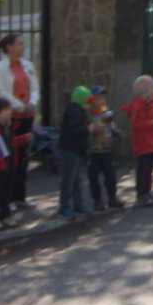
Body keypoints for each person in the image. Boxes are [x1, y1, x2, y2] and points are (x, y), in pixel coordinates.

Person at [0, 33, 39, 210]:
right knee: (9, 159)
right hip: (10, 119)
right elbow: (1, 92)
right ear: (9, 47)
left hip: (26, 116)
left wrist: (31, 103)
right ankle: (7, 199)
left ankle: (20, 196)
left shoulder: (28, 65)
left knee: (23, 158)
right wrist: (19, 106)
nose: (23, 47)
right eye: (19, 44)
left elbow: (34, 87)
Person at [0, 97, 29, 229]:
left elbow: (10, 143)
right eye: (6, 110)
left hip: (10, 164)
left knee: (8, 191)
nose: (10, 112)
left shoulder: (8, 127)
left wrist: (23, 139)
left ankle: (5, 215)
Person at [57, 86, 96, 219]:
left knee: (77, 179)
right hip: (70, 149)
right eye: (88, 103)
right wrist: (87, 129)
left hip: (76, 149)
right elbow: (72, 132)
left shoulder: (78, 112)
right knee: (69, 179)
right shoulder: (75, 113)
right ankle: (65, 207)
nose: (90, 106)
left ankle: (77, 204)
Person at [123, 75, 153, 207]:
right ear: (145, 91)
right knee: (143, 168)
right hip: (142, 142)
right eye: (152, 88)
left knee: (149, 168)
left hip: (151, 141)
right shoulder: (138, 105)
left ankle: (148, 191)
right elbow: (136, 125)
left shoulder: (151, 103)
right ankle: (142, 192)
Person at [86, 86, 124, 211]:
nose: (102, 101)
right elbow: (88, 131)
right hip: (94, 150)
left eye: (103, 98)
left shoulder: (108, 112)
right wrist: (95, 127)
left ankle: (112, 197)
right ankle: (97, 200)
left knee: (111, 176)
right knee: (94, 178)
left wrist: (117, 132)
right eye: (98, 98)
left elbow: (112, 126)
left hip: (107, 149)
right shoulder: (89, 115)